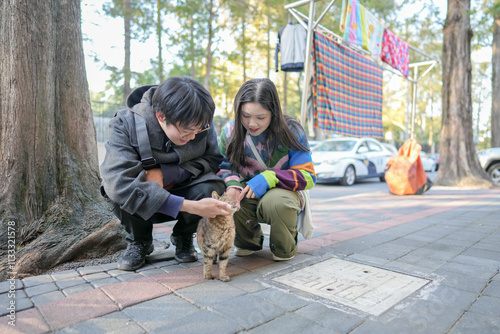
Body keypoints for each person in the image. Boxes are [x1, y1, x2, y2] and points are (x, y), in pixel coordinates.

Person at [100, 77, 232, 271]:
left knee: (213, 185)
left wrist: (168, 174)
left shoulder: (199, 118)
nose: (193, 137)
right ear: (161, 116)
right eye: (186, 131)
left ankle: (183, 235)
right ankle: (139, 241)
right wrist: (192, 207)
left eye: (199, 129)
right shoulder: (124, 123)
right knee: (115, 191)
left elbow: (212, 159)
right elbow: (119, 183)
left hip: (185, 186)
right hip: (142, 201)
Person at [218, 78, 316, 261]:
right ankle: (248, 242)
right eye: (245, 116)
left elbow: (308, 177)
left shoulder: (291, 130)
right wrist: (232, 186)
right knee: (232, 199)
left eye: (260, 117)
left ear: (274, 113)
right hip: (246, 191)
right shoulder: (230, 130)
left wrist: (270, 177)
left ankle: (283, 247)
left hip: (283, 193)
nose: (252, 124)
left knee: (277, 201)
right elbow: (223, 166)